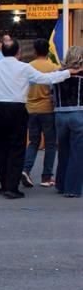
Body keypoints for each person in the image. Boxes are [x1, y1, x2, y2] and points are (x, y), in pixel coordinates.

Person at [0, 39, 76, 199]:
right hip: (17, 109)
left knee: (0, 148)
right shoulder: (24, 68)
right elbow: (46, 79)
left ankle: (4, 184)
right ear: (19, 52)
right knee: (17, 148)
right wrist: (68, 72)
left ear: (2, 52)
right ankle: (12, 187)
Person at [21, 38, 59, 188]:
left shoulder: (28, 67)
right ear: (48, 51)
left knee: (33, 142)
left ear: (35, 51)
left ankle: (26, 169)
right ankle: (46, 177)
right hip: (47, 109)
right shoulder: (54, 68)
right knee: (50, 144)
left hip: (30, 108)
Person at [53, 45, 83, 198]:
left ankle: (61, 183)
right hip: (79, 113)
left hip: (60, 115)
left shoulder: (59, 74)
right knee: (77, 153)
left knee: (63, 151)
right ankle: (72, 188)